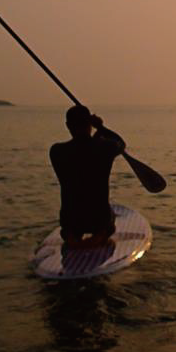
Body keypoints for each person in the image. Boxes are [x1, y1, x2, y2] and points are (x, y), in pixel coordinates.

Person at [50, 105, 126, 249]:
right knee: (110, 218)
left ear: (67, 126)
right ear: (89, 124)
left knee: (69, 224)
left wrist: (97, 130)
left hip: (71, 219)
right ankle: (101, 235)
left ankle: (71, 237)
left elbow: (85, 148)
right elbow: (120, 144)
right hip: (98, 218)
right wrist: (100, 127)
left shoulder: (57, 151)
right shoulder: (105, 148)